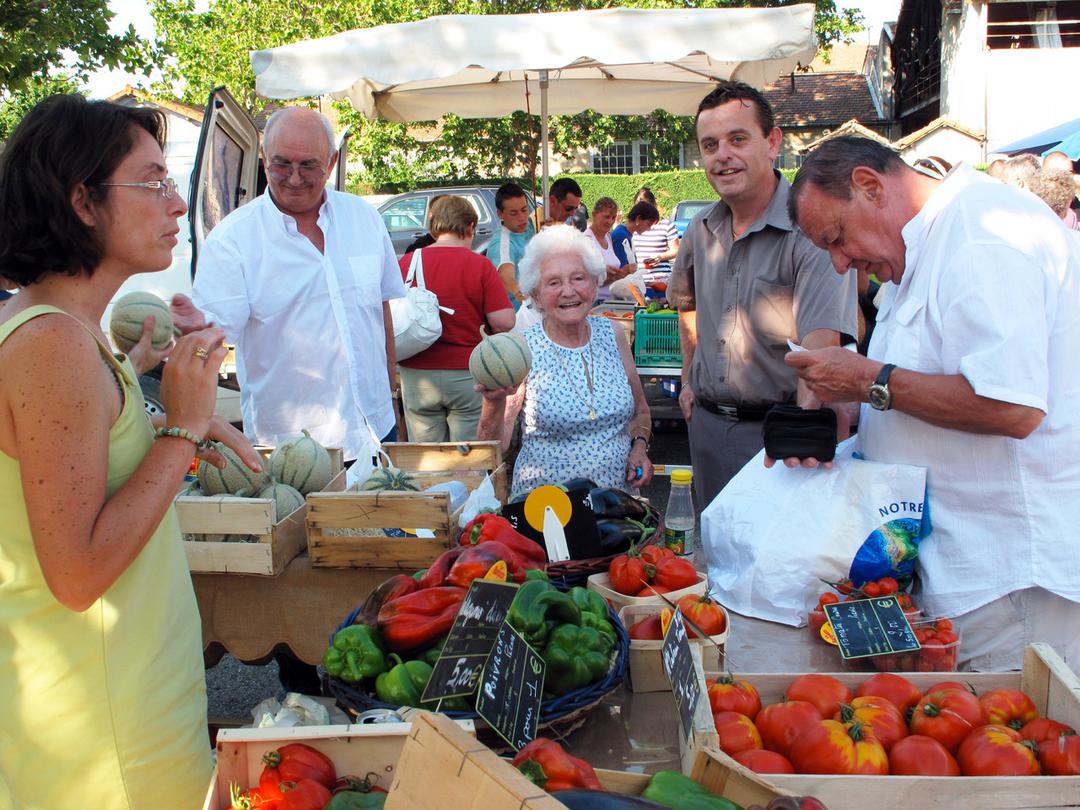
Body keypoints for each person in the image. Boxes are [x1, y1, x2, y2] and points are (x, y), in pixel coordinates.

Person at [0, 94, 260, 808]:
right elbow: (77, 574)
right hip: (100, 730)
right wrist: (182, 429)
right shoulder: (51, 344)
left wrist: (178, 424)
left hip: (117, 702)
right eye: (152, 181)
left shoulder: (63, 330)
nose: (176, 203)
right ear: (82, 201)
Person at [786, 135, 1080, 672]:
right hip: (963, 574)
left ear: (869, 186)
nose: (839, 264)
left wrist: (869, 381)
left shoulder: (980, 235)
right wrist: (850, 410)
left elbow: (1013, 408)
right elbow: (920, 387)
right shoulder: (927, 245)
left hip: (1008, 581)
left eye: (837, 238)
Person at [172, 107, 406, 462]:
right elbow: (209, 340)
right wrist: (192, 334)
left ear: (332, 162)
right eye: (281, 164)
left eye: (309, 166)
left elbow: (379, 311)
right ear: (264, 157)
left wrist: (391, 397)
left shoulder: (364, 219)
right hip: (291, 448)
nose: (294, 179)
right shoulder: (233, 241)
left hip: (376, 428)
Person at [668, 81, 858, 507]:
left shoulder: (809, 231)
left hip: (779, 438)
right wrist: (688, 379)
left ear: (772, 143)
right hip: (707, 429)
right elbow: (687, 306)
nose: (723, 155)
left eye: (738, 139)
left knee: (780, 548)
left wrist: (802, 433)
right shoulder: (700, 229)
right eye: (710, 145)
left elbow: (821, 347)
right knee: (714, 545)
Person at [477, 225, 654, 497]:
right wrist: (493, 403)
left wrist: (640, 447)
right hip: (545, 509)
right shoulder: (522, 348)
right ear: (536, 296)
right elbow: (494, 448)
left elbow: (640, 411)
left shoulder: (613, 334)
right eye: (554, 282)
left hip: (616, 507)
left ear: (594, 285)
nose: (568, 291)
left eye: (578, 278)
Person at [397, 195, 515, 441]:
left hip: (417, 376)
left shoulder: (408, 262)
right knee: (467, 455)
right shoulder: (480, 265)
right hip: (467, 373)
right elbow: (504, 322)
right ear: (471, 226)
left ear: (434, 225)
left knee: (427, 457)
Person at [486, 183, 535, 310]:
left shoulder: (529, 225)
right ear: (500, 214)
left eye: (524, 210)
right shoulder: (501, 244)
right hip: (516, 314)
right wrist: (519, 292)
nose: (522, 217)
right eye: (513, 213)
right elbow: (506, 275)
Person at [630, 187, 680, 296]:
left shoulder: (666, 225)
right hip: (640, 281)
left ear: (653, 205)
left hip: (662, 280)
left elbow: (676, 250)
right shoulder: (634, 227)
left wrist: (660, 257)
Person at [585, 196, 635, 299]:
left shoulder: (608, 237)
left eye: (613, 217)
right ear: (594, 215)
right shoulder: (587, 240)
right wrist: (618, 275)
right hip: (595, 301)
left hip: (612, 300)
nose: (610, 221)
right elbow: (587, 281)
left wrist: (622, 273)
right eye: (606, 217)